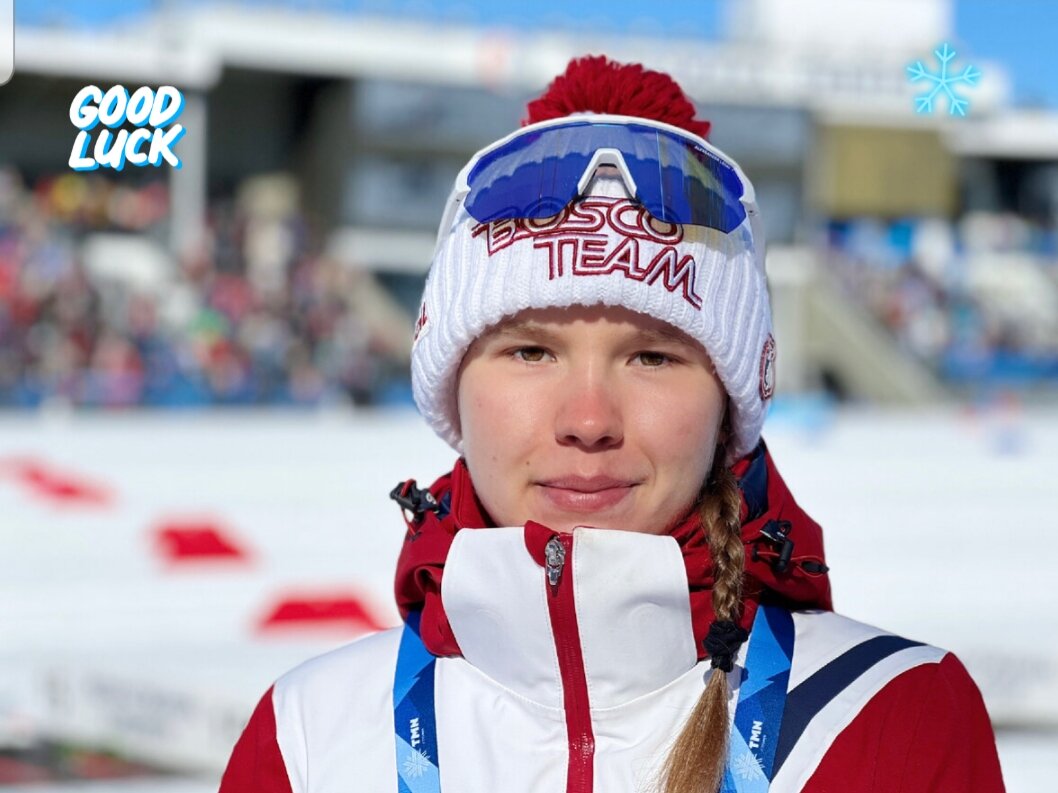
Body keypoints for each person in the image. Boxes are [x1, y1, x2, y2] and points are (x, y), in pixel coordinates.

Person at [219, 56, 1005, 793]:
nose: (589, 419)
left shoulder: (895, 718)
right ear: (453, 385)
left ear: (729, 404)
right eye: (531, 351)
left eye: (653, 358)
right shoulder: (307, 739)